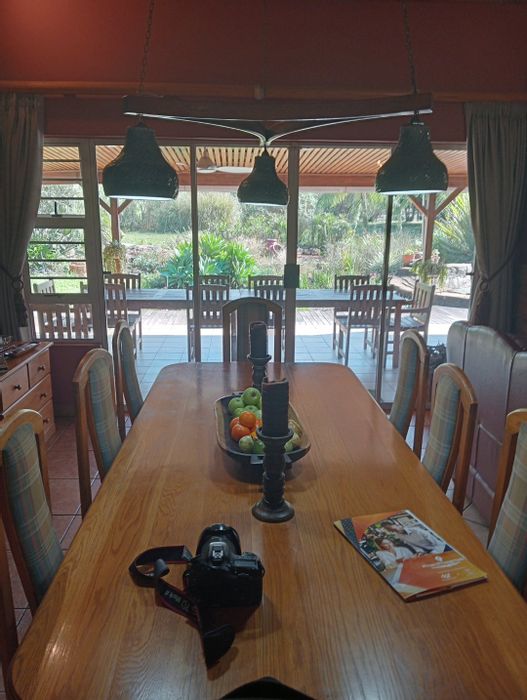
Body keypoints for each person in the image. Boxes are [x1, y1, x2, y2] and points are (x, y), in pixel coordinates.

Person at [380, 519, 446, 554]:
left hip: (442, 549)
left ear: (396, 524)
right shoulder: (399, 536)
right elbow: (412, 545)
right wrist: (420, 552)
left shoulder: (417, 530)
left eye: (389, 528)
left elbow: (437, 544)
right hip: (429, 552)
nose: (389, 531)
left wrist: (433, 553)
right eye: (387, 529)